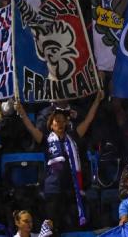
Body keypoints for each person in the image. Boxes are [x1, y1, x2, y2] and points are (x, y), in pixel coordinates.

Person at [15, 91, 104, 232]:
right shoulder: (45, 140)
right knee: (53, 225)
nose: (61, 123)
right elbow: (31, 128)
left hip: (72, 188)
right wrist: (22, 112)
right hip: (53, 188)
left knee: (72, 225)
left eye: (63, 121)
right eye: (57, 121)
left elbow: (88, 120)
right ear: (51, 125)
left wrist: (97, 101)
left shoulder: (74, 136)